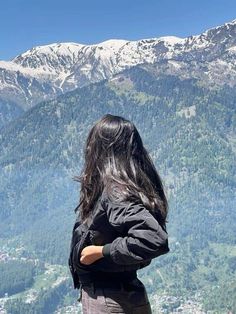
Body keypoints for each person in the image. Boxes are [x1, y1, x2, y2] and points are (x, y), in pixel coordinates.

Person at [68, 114, 170, 314]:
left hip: (110, 301)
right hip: (124, 296)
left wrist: (100, 251)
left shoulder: (117, 191)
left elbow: (154, 239)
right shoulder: (130, 186)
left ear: (102, 149)